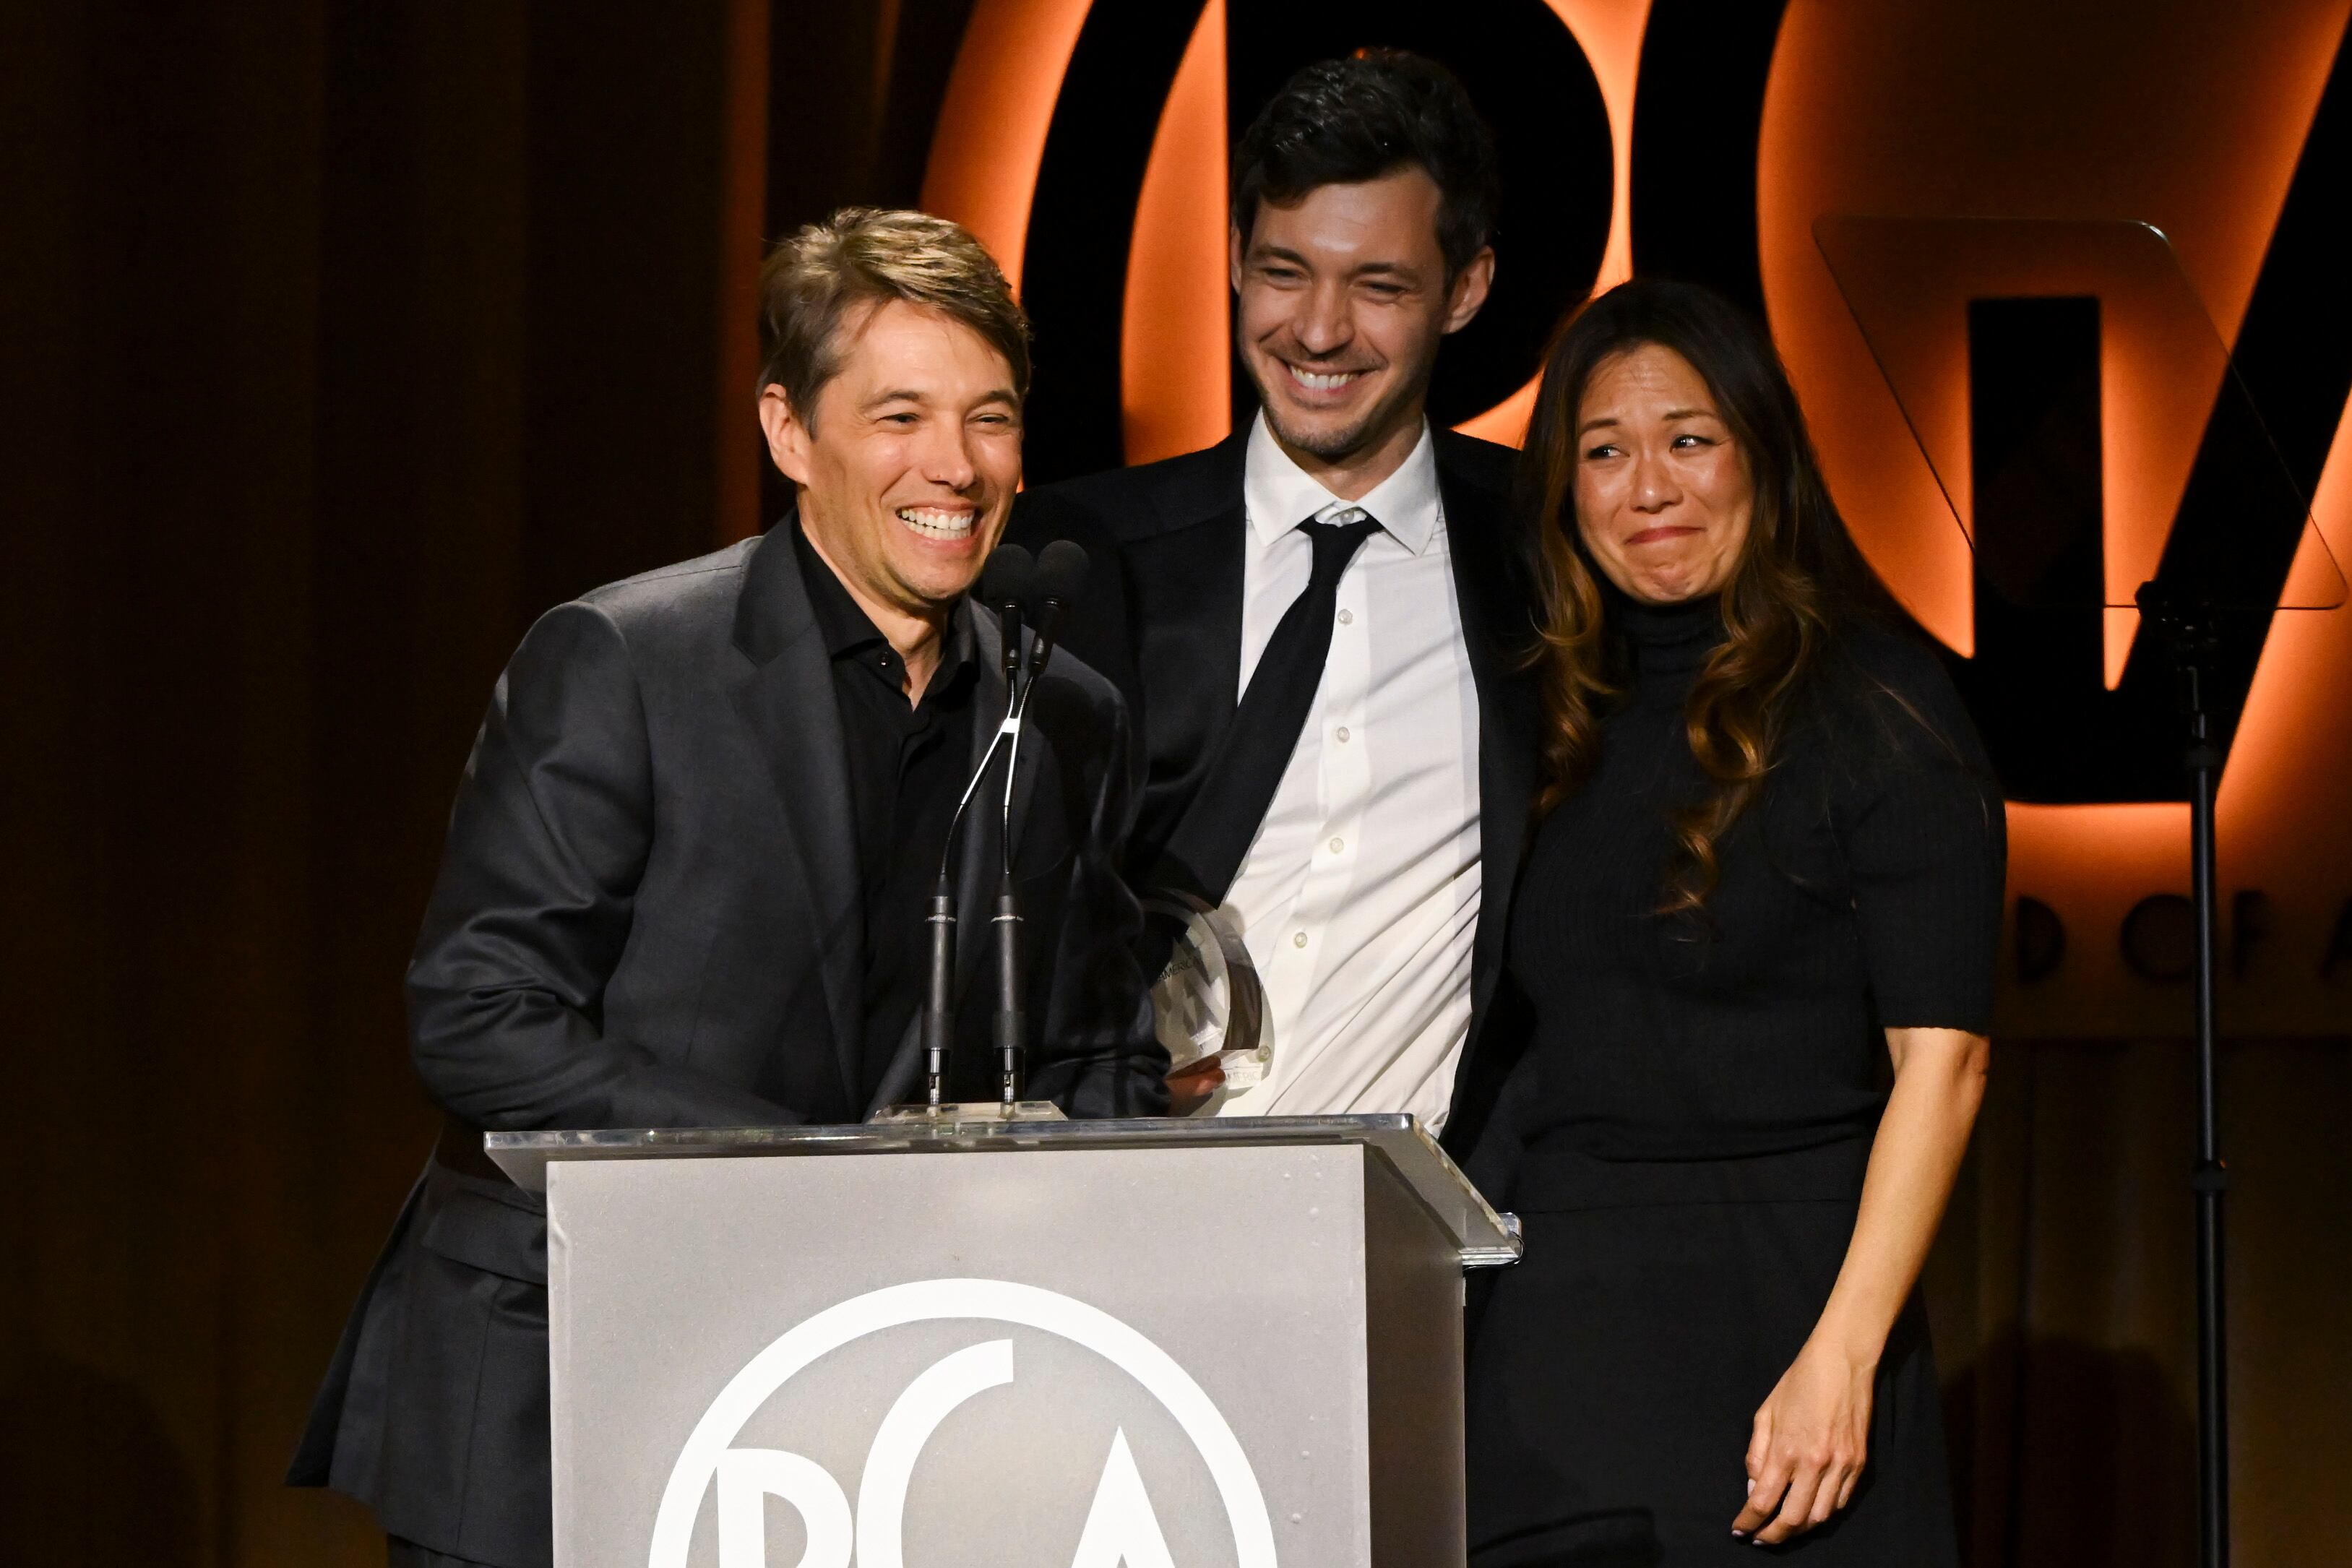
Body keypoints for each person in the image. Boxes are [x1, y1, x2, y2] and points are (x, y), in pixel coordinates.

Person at [288, 208, 1166, 1568]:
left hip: (863, 1395)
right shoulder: (627, 661)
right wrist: (800, 1176)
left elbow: (1093, 1045)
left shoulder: (1066, 713)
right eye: (899, 415)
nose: (954, 465)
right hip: (562, 1372)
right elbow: (479, 1014)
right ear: (788, 432)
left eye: (988, 418)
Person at [1461, 280, 2003, 1566]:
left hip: (1793, 1323)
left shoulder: (1881, 703)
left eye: (1689, 439)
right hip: (1558, 1346)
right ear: (1563, 489)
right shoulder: (1542, 721)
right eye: (1604, 451)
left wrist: (1845, 1354)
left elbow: (1948, 1062)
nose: (1649, 486)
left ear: (1764, 454)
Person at [1007, 50, 1539, 1140]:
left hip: (1433, 1239)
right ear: (1236, 263)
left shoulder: (1548, 550)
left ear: (1468, 289)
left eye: (1379, 285)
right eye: (1285, 271)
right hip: (1118, 1197)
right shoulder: (1079, 553)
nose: (1319, 329)